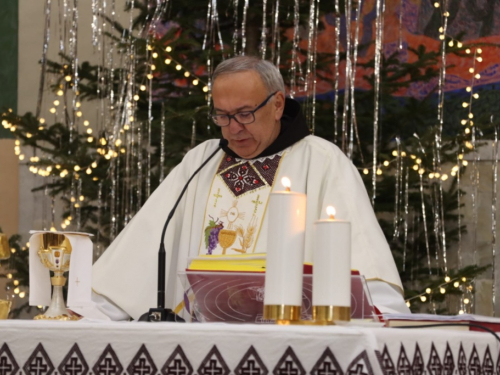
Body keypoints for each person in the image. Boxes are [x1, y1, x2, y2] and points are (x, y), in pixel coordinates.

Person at [91, 55, 410, 321]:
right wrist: (93, 312)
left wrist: (384, 314)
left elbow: (363, 263)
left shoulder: (322, 160)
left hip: (289, 340)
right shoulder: (202, 160)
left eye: (244, 114)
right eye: (222, 116)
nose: (233, 128)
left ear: (277, 105)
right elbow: (141, 250)